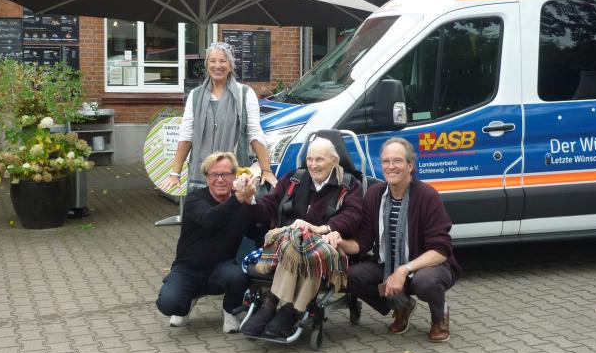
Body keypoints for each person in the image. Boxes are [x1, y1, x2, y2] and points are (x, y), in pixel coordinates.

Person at [240, 136, 364, 338]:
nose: (313, 165)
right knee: (296, 245)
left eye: (319, 159)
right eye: (309, 159)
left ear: (334, 161)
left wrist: (321, 229)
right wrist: (249, 199)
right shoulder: (294, 179)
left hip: (327, 245)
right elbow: (268, 206)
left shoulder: (349, 185)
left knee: (309, 251)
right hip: (288, 243)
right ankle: (281, 307)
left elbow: (352, 216)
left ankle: (280, 305)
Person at [346, 137, 460, 342]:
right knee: (350, 276)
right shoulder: (374, 195)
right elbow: (363, 241)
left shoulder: (427, 196)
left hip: (427, 265)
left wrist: (403, 270)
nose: (390, 167)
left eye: (397, 161)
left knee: (426, 282)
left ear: (410, 166)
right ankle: (401, 306)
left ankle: (439, 317)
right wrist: (337, 243)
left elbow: (441, 250)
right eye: (386, 161)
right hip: (387, 264)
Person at [156, 151, 262, 333]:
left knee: (238, 277)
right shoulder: (194, 199)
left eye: (225, 174)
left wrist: (252, 203)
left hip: (221, 269)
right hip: (188, 269)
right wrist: (238, 198)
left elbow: (257, 233)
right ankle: (186, 302)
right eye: (214, 175)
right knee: (168, 304)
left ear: (234, 176)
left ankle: (230, 311)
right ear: (206, 178)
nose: (220, 180)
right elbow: (209, 219)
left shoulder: (242, 203)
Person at [158, 42, 277, 192]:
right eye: (212, 61)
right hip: (201, 176)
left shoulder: (245, 94)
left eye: (222, 61)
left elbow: (255, 133)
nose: (217, 66)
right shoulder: (195, 95)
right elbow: (186, 136)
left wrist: (266, 170)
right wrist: (175, 173)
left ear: (230, 66)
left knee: (233, 207)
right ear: (207, 65)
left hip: (235, 175)